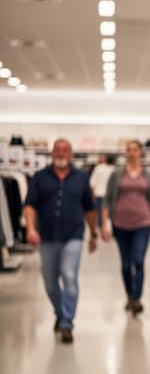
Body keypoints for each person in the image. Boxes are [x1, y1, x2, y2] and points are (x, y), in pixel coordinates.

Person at [24, 138, 99, 343]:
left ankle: (67, 323)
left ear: (71, 154)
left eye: (65, 150)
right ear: (52, 153)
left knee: (68, 276)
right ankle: (60, 311)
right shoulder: (39, 177)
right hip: (46, 237)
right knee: (49, 283)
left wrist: (93, 234)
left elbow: (89, 208)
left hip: (73, 236)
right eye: (58, 150)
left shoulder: (82, 178)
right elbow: (30, 205)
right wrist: (30, 228)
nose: (61, 153)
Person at [101, 140, 150, 316]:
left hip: (142, 224)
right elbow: (107, 199)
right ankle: (129, 295)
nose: (132, 153)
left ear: (140, 152)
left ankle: (137, 299)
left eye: (135, 150)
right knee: (125, 264)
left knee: (138, 260)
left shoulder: (148, 175)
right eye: (128, 150)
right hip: (120, 224)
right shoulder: (116, 174)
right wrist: (104, 224)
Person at [89, 154, 115, 229]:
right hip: (110, 196)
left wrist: (92, 195)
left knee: (100, 216)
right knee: (110, 216)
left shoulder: (99, 168)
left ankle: (101, 230)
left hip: (99, 194)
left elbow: (92, 183)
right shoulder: (115, 170)